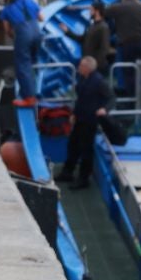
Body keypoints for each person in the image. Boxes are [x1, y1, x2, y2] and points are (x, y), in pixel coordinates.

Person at [55, 56, 112, 190]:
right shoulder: (82, 79)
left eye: (81, 66)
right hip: (80, 117)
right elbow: (80, 99)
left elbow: (111, 97)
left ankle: (83, 179)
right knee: (73, 145)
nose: (79, 68)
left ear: (88, 68)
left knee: (86, 149)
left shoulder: (99, 82)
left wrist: (104, 109)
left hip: (90, 120)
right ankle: (67, 172)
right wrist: (74, 113)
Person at [0, 0, 43, 106]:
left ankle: (29, 98)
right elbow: (41, 17)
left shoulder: (7, 9)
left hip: (23, 35)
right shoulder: (29, 1)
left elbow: (7, 30)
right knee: (34, 62)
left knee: (23, 65)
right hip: (37, 33)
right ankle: (38, 89)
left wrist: (15, 35)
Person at [106, 0, 141, 95]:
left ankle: (131, 98)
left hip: (127, 45)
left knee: (128, 72)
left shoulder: (119, 7)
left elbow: (105, 12)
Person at [67, 1, 114, 71]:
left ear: (97, 11)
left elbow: (104, 48)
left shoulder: (103, 27)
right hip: (88, 65)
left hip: (95, 67)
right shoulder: (91, 26)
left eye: (91, 10)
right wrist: (67, 32)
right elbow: (82, 39)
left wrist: (95, 64)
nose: (89, 12)